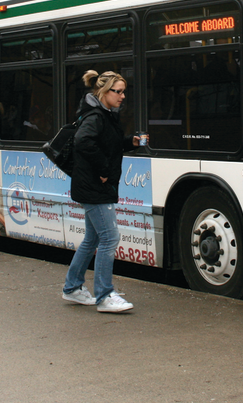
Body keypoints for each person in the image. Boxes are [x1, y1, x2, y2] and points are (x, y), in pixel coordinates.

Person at [62, 70, 140, 313]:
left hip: (93, 185)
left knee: (93, 238)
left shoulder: (104, 115)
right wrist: (104, 169)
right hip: (95, 187)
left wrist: (130, 142)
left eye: (123, 91)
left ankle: (72, 288)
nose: (123, 96)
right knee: (109, 237)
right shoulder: (96, 116)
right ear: (104, 92)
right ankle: (105, 296)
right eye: (118, 91)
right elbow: (83, 141)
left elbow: (107, 144)